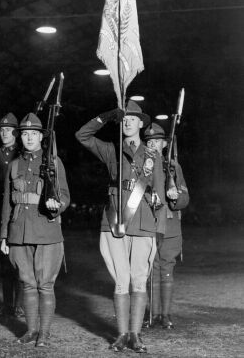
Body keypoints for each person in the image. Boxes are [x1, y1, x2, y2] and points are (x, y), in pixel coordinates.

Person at [75, 100, 166, 353]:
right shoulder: (111, 150)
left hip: (144, 223)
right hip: (114, 221)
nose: (127, 122)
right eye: (123, 119)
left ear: (140, 124)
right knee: (120, 281)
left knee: (138, 281)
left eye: (131, 119)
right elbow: (82, 135)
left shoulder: (152, 155)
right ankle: (121, 335)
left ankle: (135, 336)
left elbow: (159, 194)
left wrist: (159, 232)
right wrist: (106, 116)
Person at [0, 113, 70, 347]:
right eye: (25, 134)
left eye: (34, 134)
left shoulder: (52, 163)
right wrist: (4, 235)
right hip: (19, 230)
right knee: (27, 283)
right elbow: (7, 203)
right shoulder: (15, 165)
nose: (29, 138)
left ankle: (45, 333)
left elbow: (65, 197)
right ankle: (31, 331)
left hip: (46, 230)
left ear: (42, 137)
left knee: (45, 284)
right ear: (20, 137)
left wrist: (56, 206)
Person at [143, 122, 190, 330]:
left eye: (156, 141)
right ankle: (152, 314)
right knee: (151, 269)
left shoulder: (172, 166)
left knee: (167, 268)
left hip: (170, 225)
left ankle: (166, 314)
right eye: (149, 142)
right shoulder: (141, 167)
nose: (153, 145)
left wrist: (175, 196)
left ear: (164, 144)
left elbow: (185, 197)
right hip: (148, 224)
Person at [0, 113, 24, 318]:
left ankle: (19, 304)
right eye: (1, 130)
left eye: (8, 130)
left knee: (19, 261)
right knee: (4, 263)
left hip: (17, 212)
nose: (3, 133)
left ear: (16, 133)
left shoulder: (23, 153)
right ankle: (7, 304)